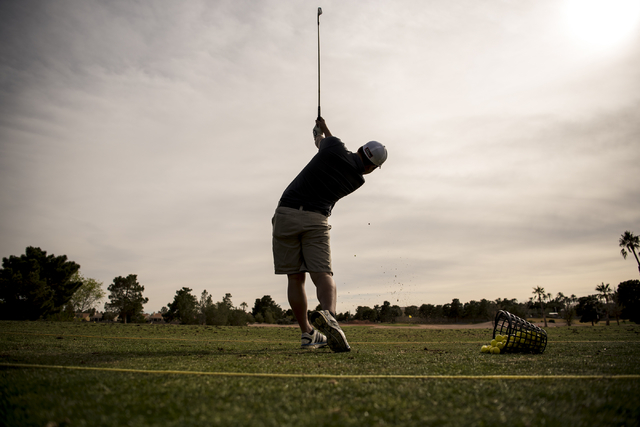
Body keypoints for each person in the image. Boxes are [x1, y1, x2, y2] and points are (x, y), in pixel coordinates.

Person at [271, 117, 387, 352]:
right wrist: (324, 133)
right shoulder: (357, 180)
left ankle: (307, 333)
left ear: (359, 149)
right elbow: (332, 147)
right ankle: (330, 315)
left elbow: (323, 142)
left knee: (295, 277)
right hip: (316, 219)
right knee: (323, 273)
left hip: (286, 213)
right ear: (372, 168)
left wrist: (320, 129)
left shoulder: (334, 148)